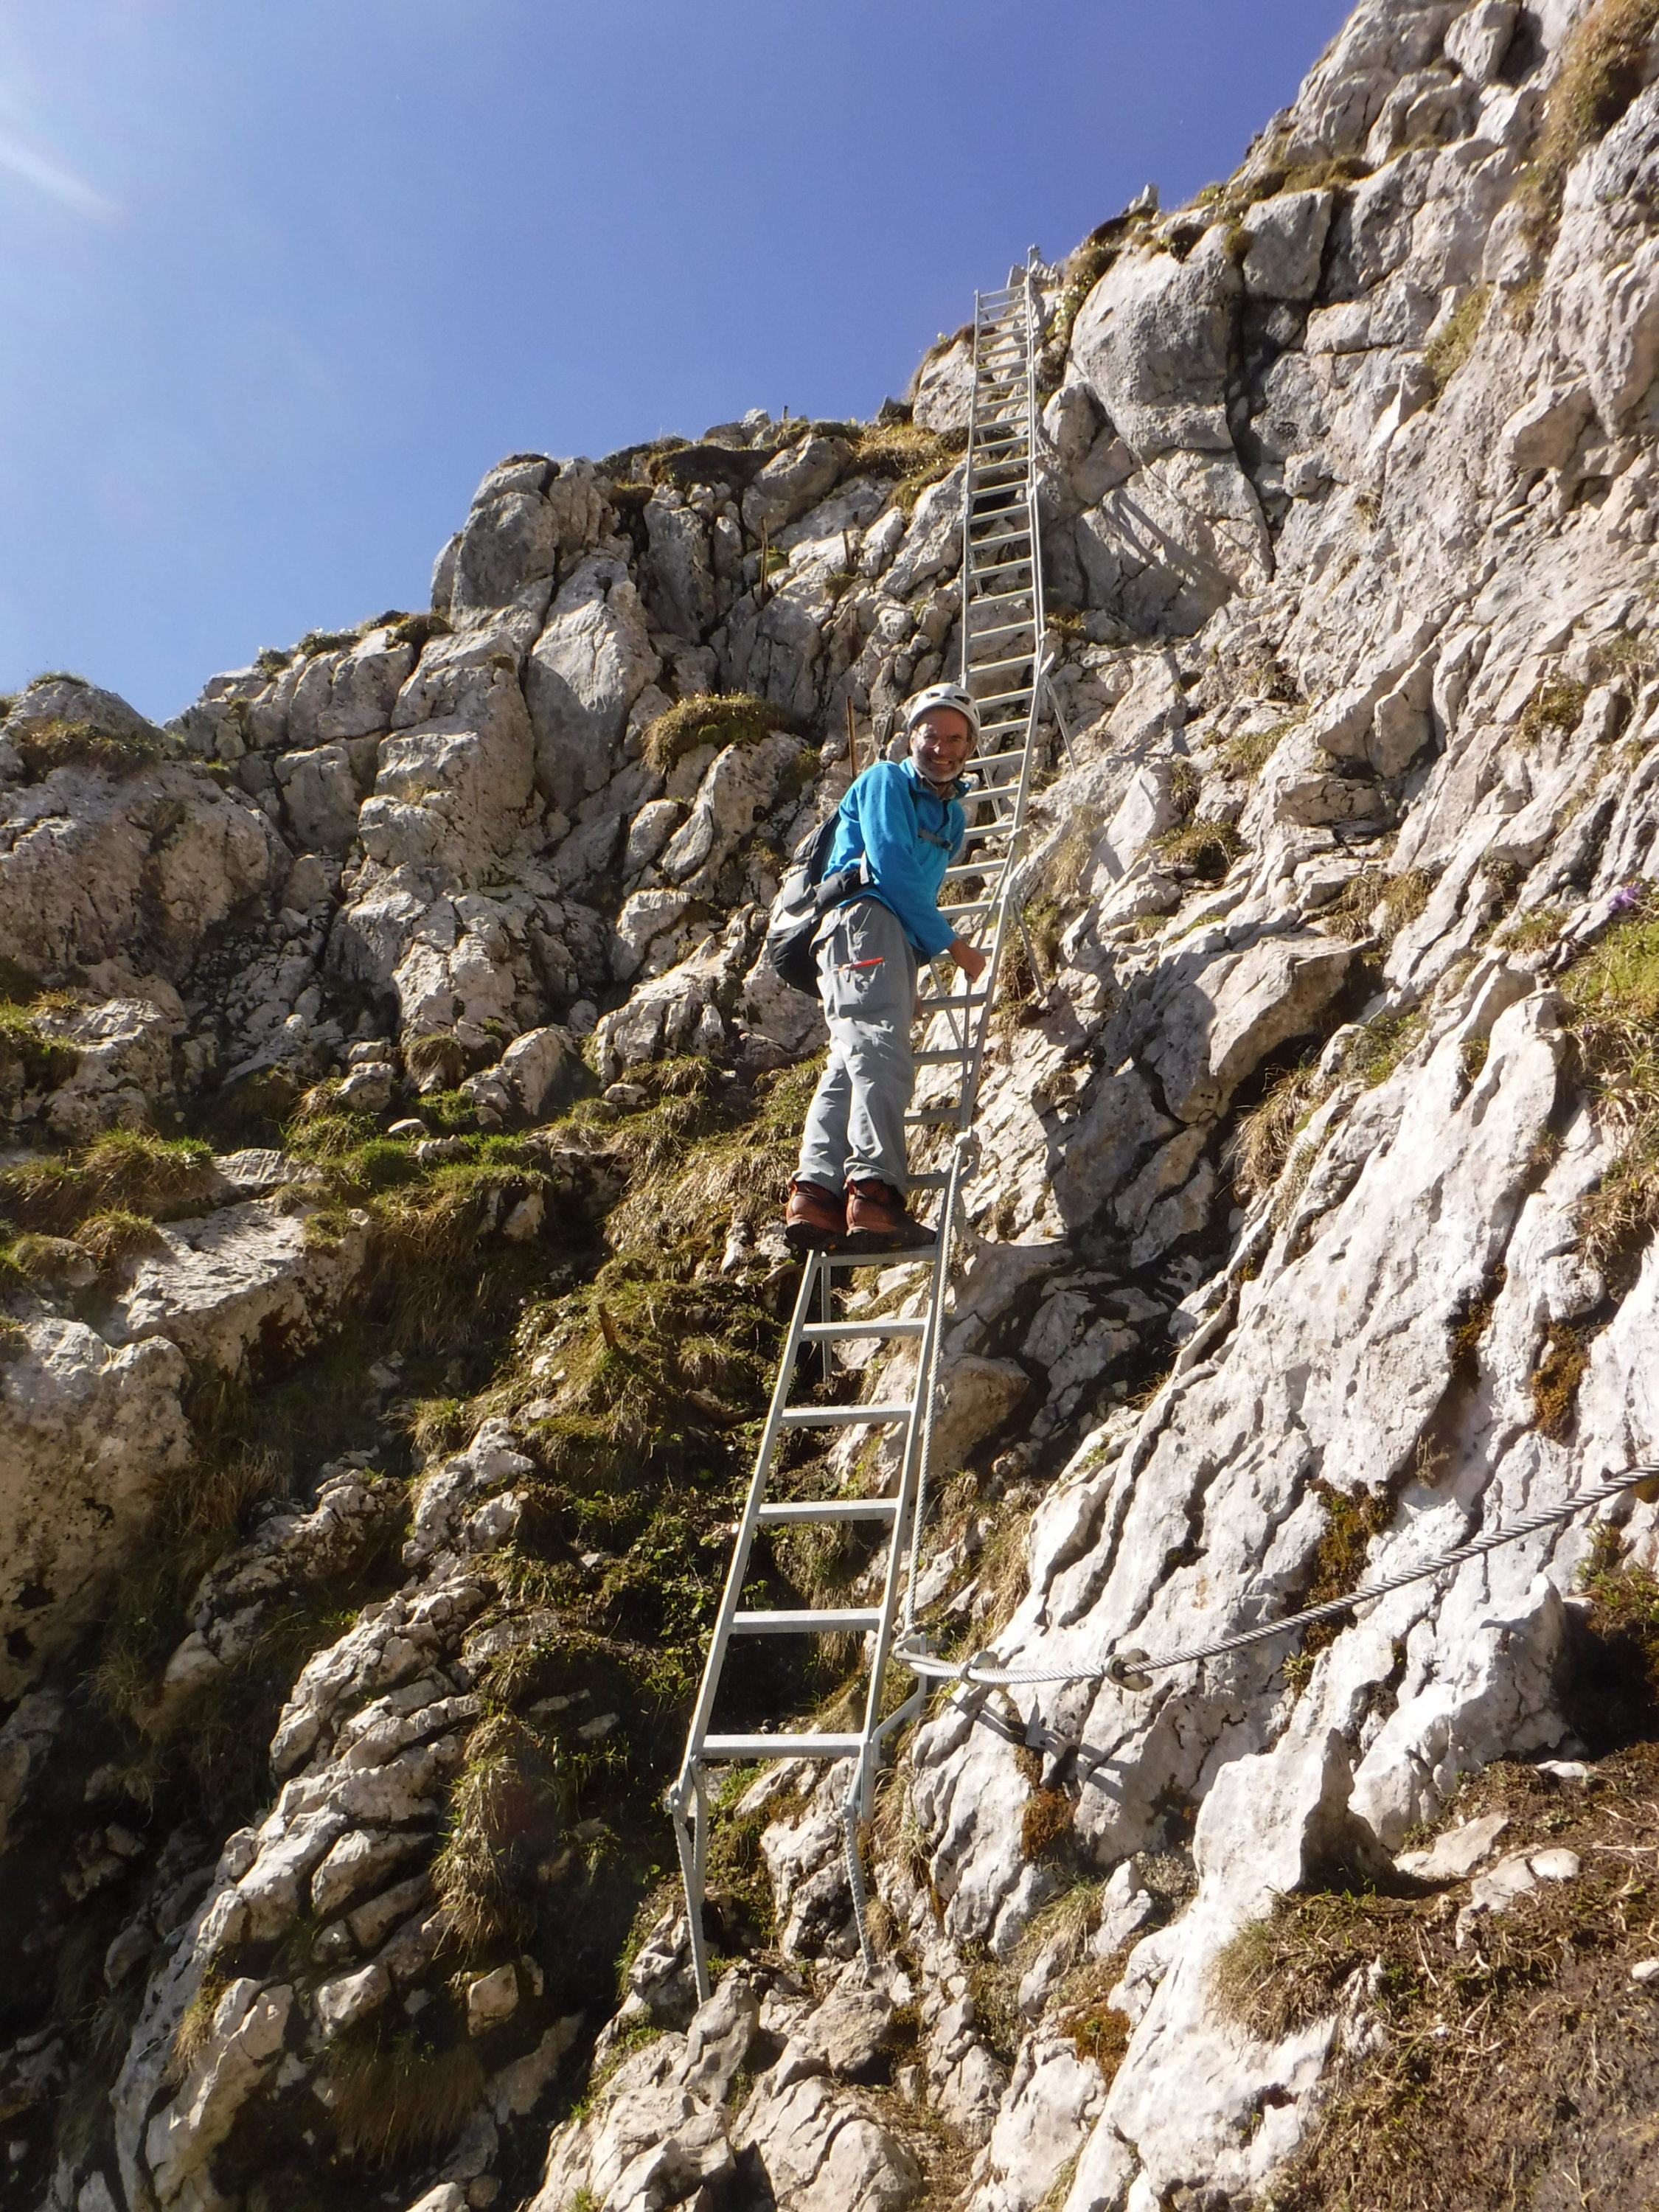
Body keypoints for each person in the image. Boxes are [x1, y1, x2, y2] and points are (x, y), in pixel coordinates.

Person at [784, 684, 990, 1253]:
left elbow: (918, 886)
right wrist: (953, 945)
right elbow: (892, 868)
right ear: (910, 737)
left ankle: (817, 1196)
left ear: (971, 747)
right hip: (861, 919)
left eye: (956, 739)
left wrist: (911, 965)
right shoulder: (885, 781)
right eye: (932, 735)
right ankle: (874, 1194)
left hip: (886, 938)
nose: (942, 749)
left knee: (848, 1063)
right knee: (878, 1048)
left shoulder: (951, 818)